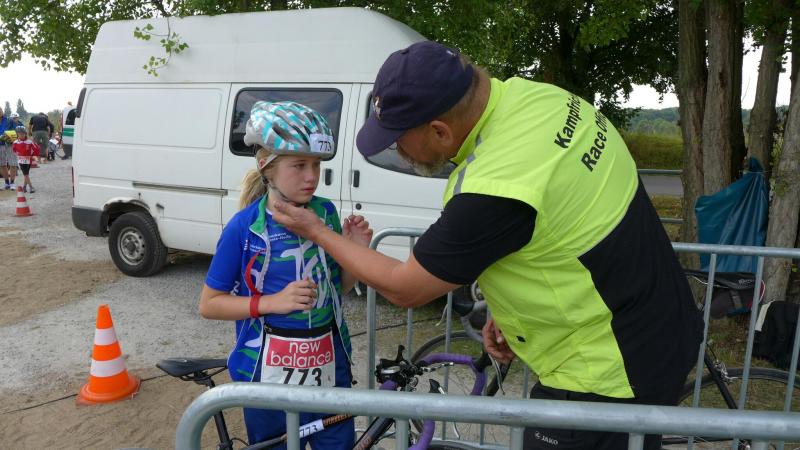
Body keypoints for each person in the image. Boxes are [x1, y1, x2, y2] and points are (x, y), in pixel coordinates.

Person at [272, 41, 704, 450]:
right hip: (659, 328)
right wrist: (517, 313)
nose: (397, 150)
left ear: (440, 130)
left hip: (606, 375)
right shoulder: (543, 101)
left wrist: (318, 231)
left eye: (398, 138)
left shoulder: (497, 183)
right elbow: (564, 224)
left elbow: (405, 286)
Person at [199, 101, 372, 449]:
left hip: (328, 365)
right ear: (267, 167)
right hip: (266, 373)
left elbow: (336, 288)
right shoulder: (244, 227)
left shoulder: (325, 213)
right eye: (299, 165)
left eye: (316, 165)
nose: (312, 176)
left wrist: (354, 252)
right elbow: (210, 304)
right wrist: (272, 302)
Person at [12, 126, 39, 193]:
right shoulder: (15, 142)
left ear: (25, 134)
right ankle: (31, 187)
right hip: (21, 160)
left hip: (28, 160)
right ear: (17, 134)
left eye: (23, 133)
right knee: (26, 174)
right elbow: (14, 150)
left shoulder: (29, 142)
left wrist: (34, 156)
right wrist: (18, 154)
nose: (21, 135)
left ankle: (24, 187)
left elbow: (36, 148)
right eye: (19, 133)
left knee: (26, 174)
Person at [0, 110, 18, 190]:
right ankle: (7, 183)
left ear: (2, 112)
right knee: (2, 164)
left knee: (13, 163)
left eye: (0, 111)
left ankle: (12, 183)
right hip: (0, 145)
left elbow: (15, 131)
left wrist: (7, 135)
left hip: (10, 144)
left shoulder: (9, 120)